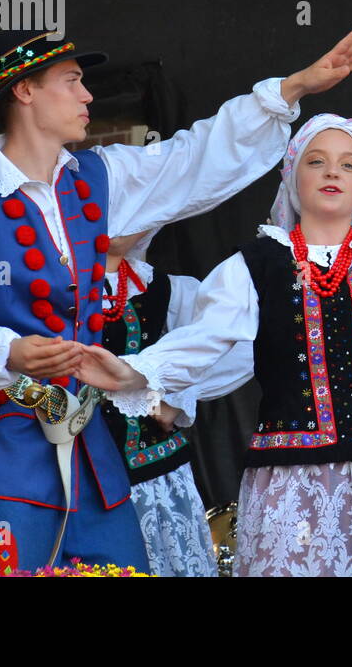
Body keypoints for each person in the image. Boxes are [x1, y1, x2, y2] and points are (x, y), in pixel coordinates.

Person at [0, 26, 352, 576]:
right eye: (72, 81)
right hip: (4, 463)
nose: (88, 96)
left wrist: (289, 90)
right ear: (24, 91)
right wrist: (7, 353)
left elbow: (191, 160)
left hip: (96, 462)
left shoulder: (102, 179)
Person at [77, 28, 352, 576]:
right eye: (317, 161)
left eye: (349, 164)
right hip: (296, 479)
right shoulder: (253, 265)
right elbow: (203, 343)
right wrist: (135, 372)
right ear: (292, 177)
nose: (332, 173)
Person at [96, 230, 250, 577]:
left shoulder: (163, 288)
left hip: (155, 476)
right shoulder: (49, 286)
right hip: (74, 473)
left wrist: (177, 396)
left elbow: (242, 341)